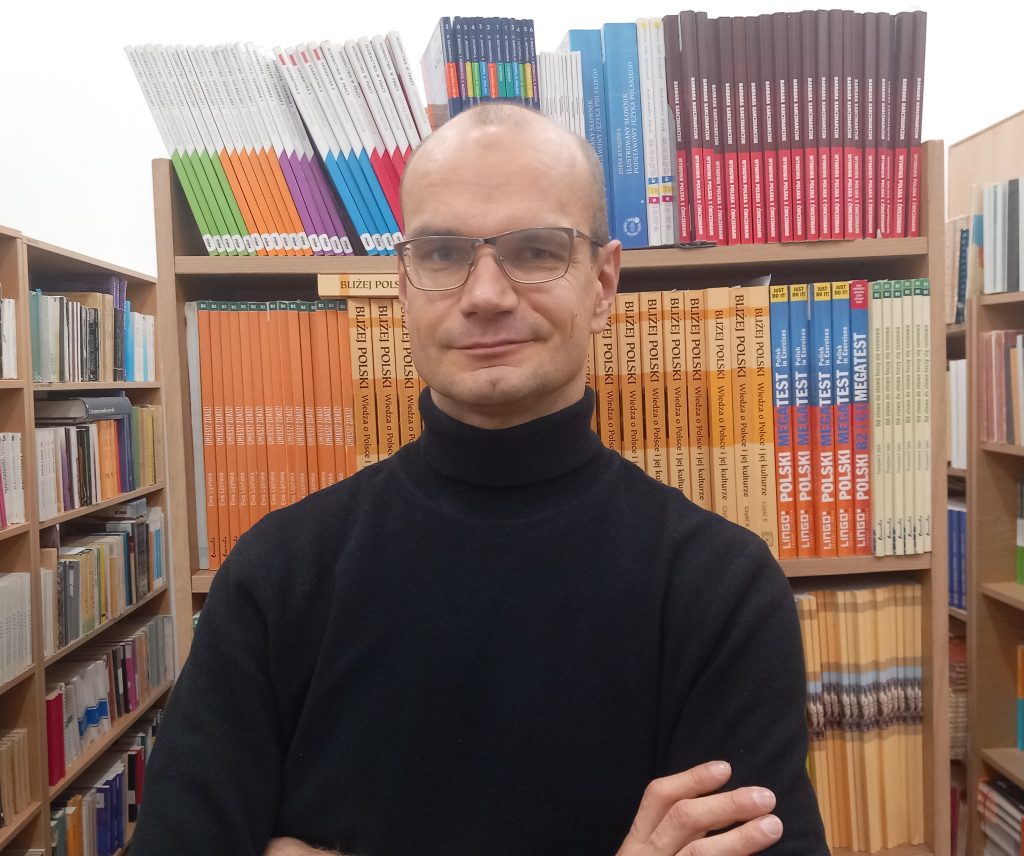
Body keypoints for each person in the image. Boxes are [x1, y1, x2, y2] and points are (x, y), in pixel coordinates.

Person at [131, 103, 828, 856]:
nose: (486, 294)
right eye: (441, 253)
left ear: (603, 283)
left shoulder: (721, 587)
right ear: (403, 287)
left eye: (535, 250)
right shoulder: (279, 571)